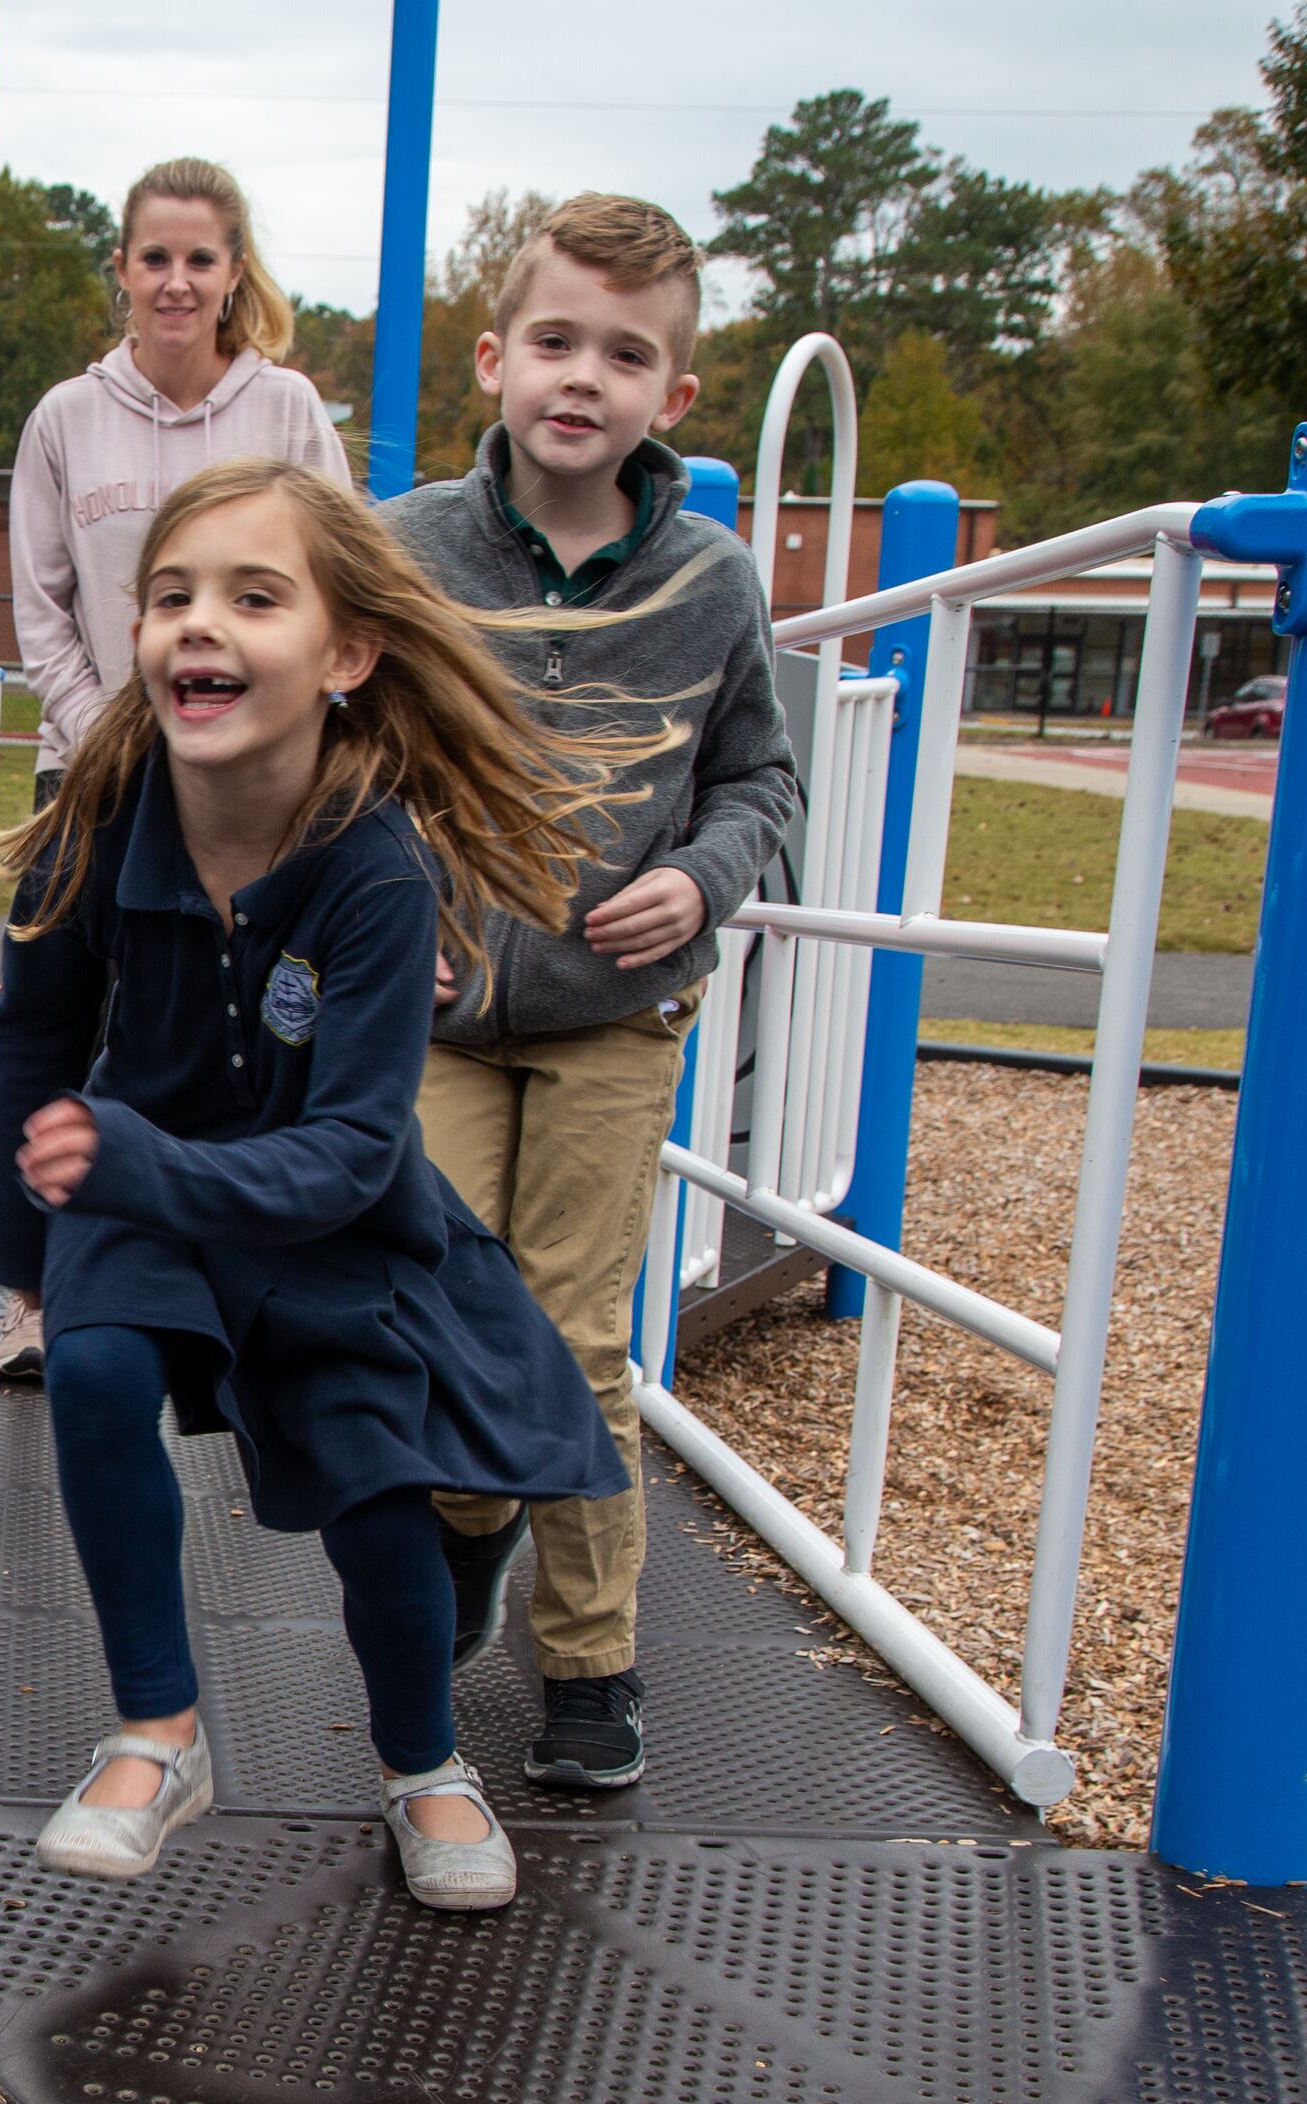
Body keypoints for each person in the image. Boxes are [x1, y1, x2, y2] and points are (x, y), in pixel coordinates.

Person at [0, 456, 672, 1908]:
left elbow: (357, 1148)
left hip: (323, 1210)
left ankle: (423, 1763)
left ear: (346, 654)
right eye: (171, 597)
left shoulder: (375, 871)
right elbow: (39, 1022)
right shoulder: (101, 816)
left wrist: (142, 1162)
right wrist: (20, 1235)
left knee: (379, 1487)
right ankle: (158, 1732)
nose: (198, 627)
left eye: (251, 596)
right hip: (139, 1188)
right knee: (97, 1374)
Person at [382, 194, 799, 1795]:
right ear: (495, 359)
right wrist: (372, 911)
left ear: (672, 398)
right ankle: (473, 1526)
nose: (583, 378)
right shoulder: (410, 549)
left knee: (575, 1335)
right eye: (555, 341)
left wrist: (705, 877)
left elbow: (760, 775)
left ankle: (589, 1664)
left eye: (626, 355)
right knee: (442, 1317)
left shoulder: (710, 579)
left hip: (617, 1007)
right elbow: (340, 758)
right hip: (439, 1006)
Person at [0, 155, 354, 1385]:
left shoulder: (286, 413)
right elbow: (39, 599)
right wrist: (108, 733)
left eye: (201, 259)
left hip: (247, 780)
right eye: (155, 256)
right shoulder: (66, 419)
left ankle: (235, 1269)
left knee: (223, 1017)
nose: (177, 281)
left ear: (234, 273)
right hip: (92, 767)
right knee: (51, 1015)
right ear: (123, 269)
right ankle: (37, 1286)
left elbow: (336, 577)